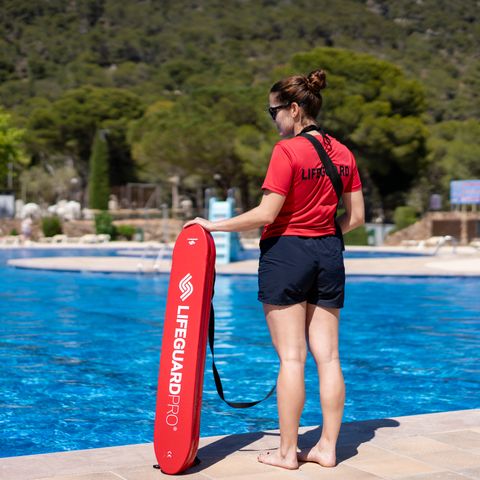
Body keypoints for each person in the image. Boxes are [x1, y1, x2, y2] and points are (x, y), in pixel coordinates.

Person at [184, 69, 365, 470]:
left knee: (292, 359)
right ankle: (327, 449)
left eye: (273, 112)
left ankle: (287, 453)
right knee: (329, 358)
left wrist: (212, 225)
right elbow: (356, 218)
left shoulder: (287, 152)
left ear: (294, 109)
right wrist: (322, 232)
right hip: (329, 252)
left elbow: (267, 213)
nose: (273, 120)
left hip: (287, 254)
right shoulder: (344, 153)